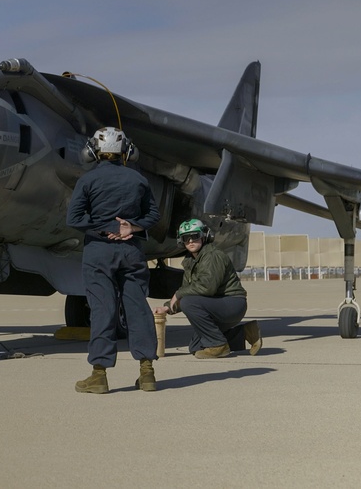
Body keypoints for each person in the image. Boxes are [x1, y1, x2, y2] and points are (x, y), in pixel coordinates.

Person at [66, 127, 161, 393]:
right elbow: (153, 215)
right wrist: (131, 228)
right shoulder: (138, 180)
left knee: (103, 309)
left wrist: (106, 226)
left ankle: (99, 376)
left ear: (94, 151)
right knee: (138, 309)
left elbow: (74, 219)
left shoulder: (87, 180)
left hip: (99, 250)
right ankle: (147, 373)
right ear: (126, 151)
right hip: (132, 250)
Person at [154, 219, 262, 358]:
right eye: (186, 238)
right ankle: (246, 332)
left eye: (195, 236)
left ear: (204, 236)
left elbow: (207, 288)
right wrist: (167, 307)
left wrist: (179, 294)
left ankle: (218, 345)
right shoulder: (191, 260)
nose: (191, 241)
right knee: (196, 347)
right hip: (216, 305)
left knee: (188, 302)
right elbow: (188, 289)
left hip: (232, 304)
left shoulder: (212, 256)